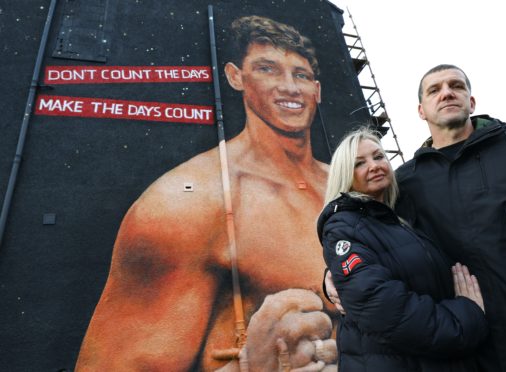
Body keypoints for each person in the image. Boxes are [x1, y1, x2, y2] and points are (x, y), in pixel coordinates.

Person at [76, 16, 337, 371]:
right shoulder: (188, 202)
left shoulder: (347, 187)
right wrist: (248, 367)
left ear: (317, 89)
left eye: (301, 75)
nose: (289, 87)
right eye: (267, 69)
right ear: (235, 76)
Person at [328, 64, 506, 371]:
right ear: (421, 111)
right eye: (434, 90)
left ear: (471, 101)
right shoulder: (407, 182)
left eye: (456, 85)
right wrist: (331, 275)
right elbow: (370, 237)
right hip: (490, 351)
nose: (446, 93)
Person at [317, 128, 488, 371]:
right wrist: (463, 320)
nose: (374, 165)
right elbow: (382, 308)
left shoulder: (396, 217)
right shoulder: (343, 225)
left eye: (378, 156)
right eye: (360, 163)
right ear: (345, 175)